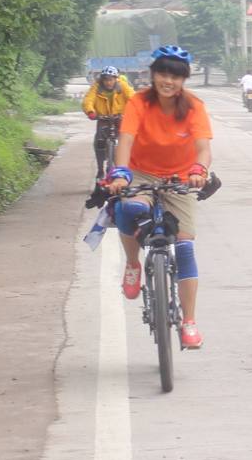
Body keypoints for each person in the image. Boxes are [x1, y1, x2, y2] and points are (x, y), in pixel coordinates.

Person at [103, 44, 213, 349]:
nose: (169, 81)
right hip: (140, 173)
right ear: (153, 75)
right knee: (128, 209)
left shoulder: (194, 106)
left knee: (186, 247)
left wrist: (198, 169)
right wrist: (121, 173)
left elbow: (203, 148)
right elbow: (126, 139)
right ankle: (133, 263)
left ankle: (188, 322)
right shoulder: (138, 103)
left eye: (176, 76)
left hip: (181, 177)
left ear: (184, 80)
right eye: (163, 74)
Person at [82, 66, 135, 179]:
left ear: (116, 79)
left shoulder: (122, 86)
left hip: (119, 117)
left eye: (111, 79)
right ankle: (100, 169)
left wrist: (133, 112)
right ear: (102, 80)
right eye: (106, 79)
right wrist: (90, 111)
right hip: (103, 118)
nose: (108, 82)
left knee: (127, 140)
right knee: (99, 142)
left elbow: (133, 98)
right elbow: (88, 100)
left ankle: (124, 167)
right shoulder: (96, 87)